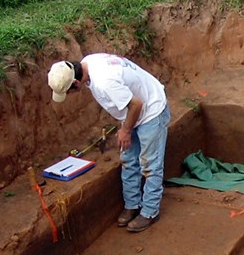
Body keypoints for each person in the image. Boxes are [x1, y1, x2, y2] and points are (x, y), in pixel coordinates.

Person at [47, 54, 170, 233]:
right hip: (134, 112)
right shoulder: (89, 61)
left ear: (75, 83)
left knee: (150, 164)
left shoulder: (104, 82)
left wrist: (126, 130)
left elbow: (137, 105)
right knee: (128, 159)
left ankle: (150, 211)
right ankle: (132, 205)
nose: (70, 95)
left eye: (68, 91)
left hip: (151, 110)